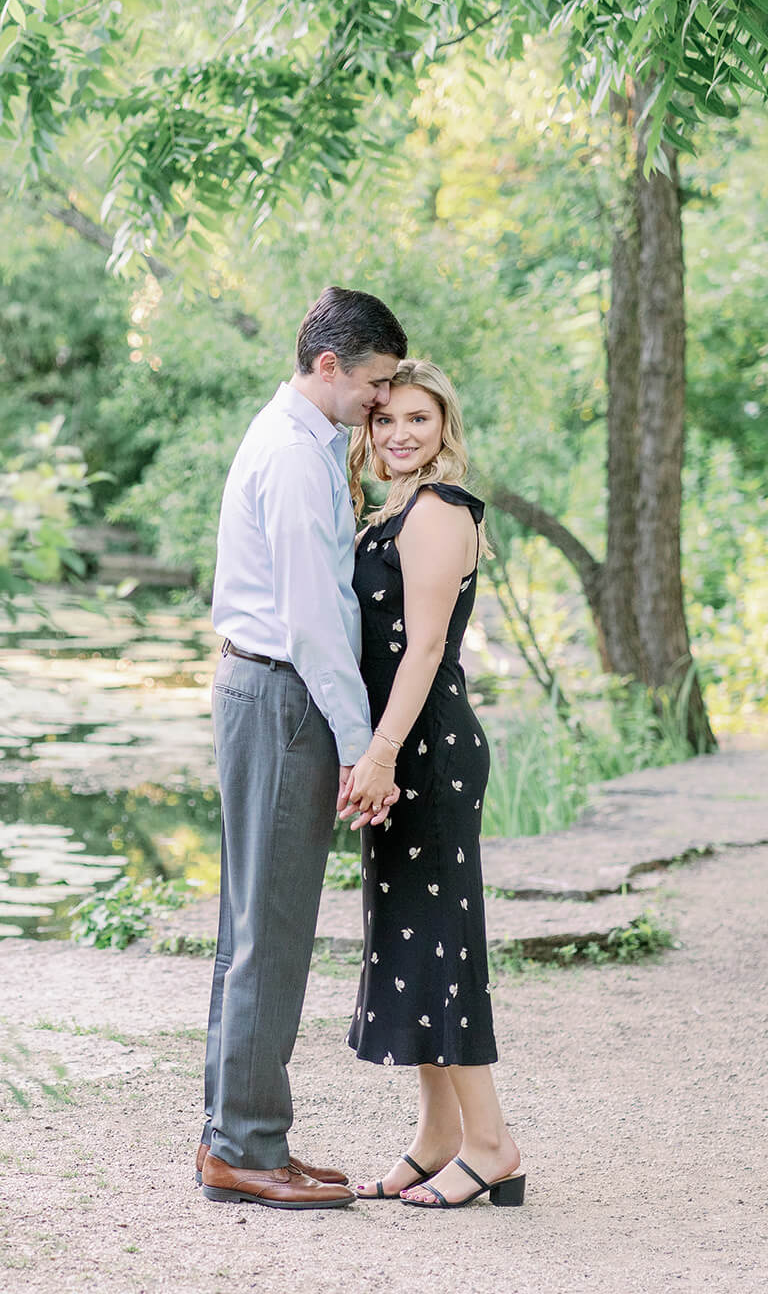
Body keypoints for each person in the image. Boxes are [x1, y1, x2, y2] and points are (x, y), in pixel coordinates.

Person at [198, 287, 407, 1211]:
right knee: (269, 931)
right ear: (330, 367)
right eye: (376, 382)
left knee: (253, 927)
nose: (381, 399)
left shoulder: (313, 443)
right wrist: (366, 747)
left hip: (269, 693)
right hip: (282, 697)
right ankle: (244, 1147)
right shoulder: (290, 456)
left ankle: (238, 1138)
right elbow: (315, 619)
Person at [338, 359, 525, 1209]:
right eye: (386, 421)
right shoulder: (394, 510)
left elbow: (421, 648)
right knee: (410, 936)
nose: (400, 434)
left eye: (418, 419)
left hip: (426, 747)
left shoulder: (442, 511)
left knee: (440, 943)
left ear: (443, 427)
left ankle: (492, 1144)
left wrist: (379, 753)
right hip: (399, 746)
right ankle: (439, 1133)